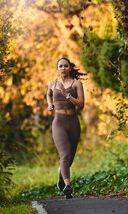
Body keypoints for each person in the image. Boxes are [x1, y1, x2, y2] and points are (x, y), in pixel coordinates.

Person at [46, 57, 85, 199]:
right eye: (60, 66)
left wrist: (67, 95)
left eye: (65, 66)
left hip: (73, 122)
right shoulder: (52, 84)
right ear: (57, 69)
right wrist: (50, 104)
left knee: (71, 157)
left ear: (70, 68)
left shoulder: (76, 84)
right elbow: (48, 94)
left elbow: (81, 104)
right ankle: (68, 186)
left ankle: (61, 176)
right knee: (64, 155)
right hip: (59, 122)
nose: (63, 68)